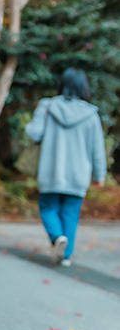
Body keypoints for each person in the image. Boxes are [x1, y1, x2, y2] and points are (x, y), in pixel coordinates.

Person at [25, 67, 106, 266]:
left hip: (51, 171)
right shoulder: (91, 114)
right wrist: (100, 175)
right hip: (79, 174)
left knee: (48, 207)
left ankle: (57, 237)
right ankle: (66, 256)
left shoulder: (47, 106)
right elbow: (97, 148)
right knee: (70, 214)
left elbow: (33, 133)